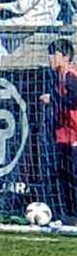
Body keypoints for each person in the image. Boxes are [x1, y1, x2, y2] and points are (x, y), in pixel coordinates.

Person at [39, 38, 77, 224]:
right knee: (65, 176)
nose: (50, 58)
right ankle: (70, 216)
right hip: (65, 135)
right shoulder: (60, 76)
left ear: (66, 57)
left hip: (74, 135)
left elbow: (73, 100)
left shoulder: (71, 75)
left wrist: (52, 100)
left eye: (54, 54)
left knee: (73, 176)